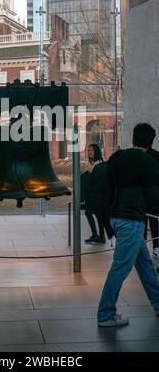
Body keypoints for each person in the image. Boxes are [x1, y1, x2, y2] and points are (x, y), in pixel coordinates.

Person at [97, 123, 159, 327]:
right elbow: (153, 195)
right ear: (151, 142)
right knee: (120, 268)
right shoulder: (148, 161)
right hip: (132, 221)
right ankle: (106, 314)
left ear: (133, 138)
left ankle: (158, 304)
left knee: (145, 264)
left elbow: (107, 188)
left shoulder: (116, 157)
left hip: (117, 218)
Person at [82, 144, 106, 244]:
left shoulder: (99, 164)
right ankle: (98, 235)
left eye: (92, 150)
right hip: (91, 194)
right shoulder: (93, 164)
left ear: (96, 151)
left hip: (95, 195)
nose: (90, 152)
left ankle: (99, 235)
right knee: (94, 214)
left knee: (96, 214)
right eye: (89, 150)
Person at [146, 141, 159, 260]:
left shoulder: (137, 157)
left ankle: (142, 249)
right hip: (154, 196)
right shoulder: (156, 155)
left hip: (143, 197)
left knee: (141, 224)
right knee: (155, 223)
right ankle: (156, 247)